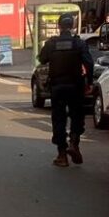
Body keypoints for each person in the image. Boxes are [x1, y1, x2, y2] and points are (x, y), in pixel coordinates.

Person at [37, 13, 92, 167]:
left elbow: (42, 59)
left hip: (57, 86)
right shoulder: (79, 43)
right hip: (76, 86)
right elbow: (89, 63)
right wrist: (89, 82)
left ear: (59, 26)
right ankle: (74, 144)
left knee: (59, 120)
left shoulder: (51, 44)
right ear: (73, 26)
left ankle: (62, 154)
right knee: (76, 117)